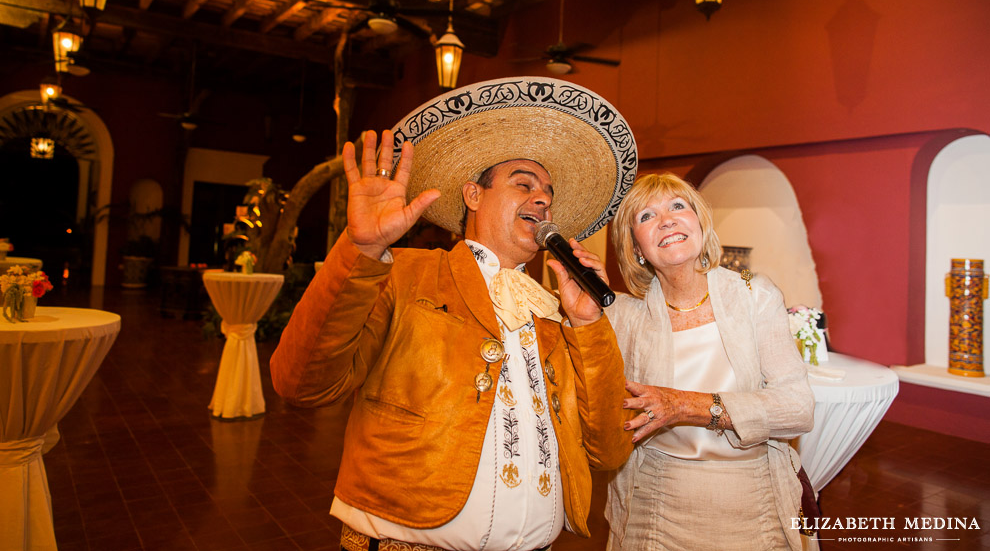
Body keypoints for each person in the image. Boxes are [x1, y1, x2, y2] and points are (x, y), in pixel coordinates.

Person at [270, 77, 638, 551]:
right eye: (523, 184)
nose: (542, 198)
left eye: (547, 191)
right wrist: (359, 252)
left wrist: (588, 324)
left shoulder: (553, 313)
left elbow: (609, 448)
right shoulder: (402, 273)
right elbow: (301, 383)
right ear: (473, 195)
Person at [603, 173, 817, 551]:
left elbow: (798, 409)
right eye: (646, 216)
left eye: (677, 207)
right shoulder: (622, 315)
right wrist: (586, 316)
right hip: (653, 507)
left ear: (699, 222)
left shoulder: (755, 296)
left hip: (752, 502)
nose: (666, 220)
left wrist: (685, 405)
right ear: (636, 248)